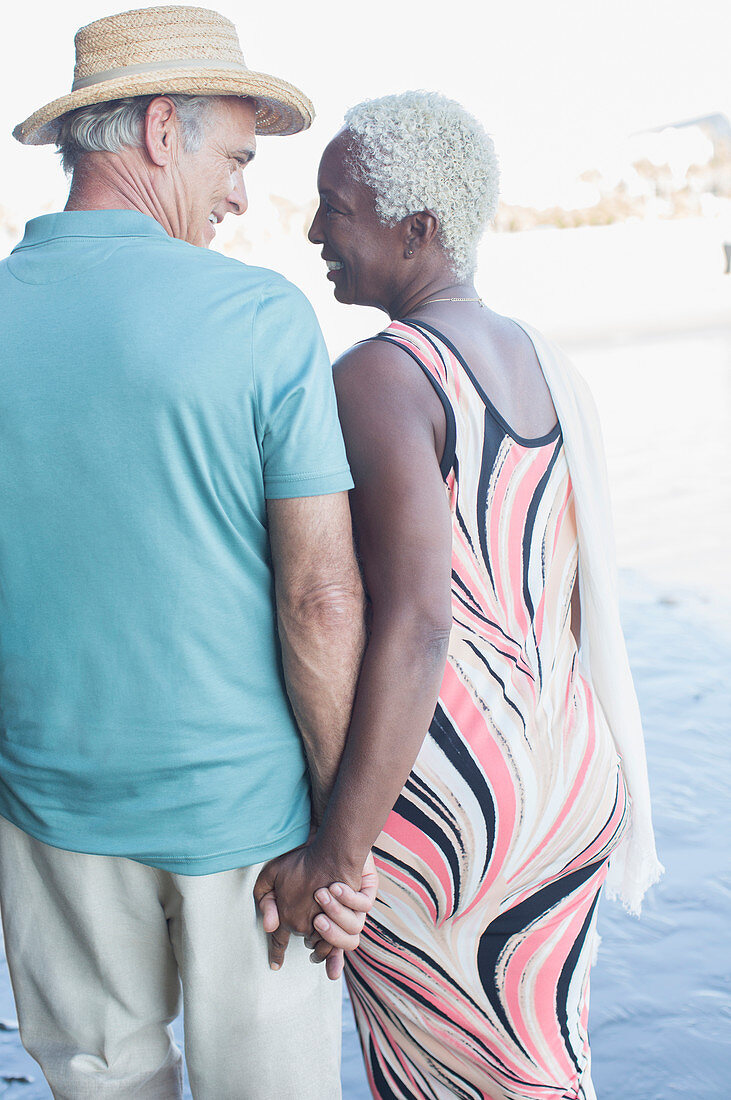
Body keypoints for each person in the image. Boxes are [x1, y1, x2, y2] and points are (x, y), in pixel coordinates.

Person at [0, 6, 373, 1097]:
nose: (242, 194)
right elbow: (319, 596)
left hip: (47, 814)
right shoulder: (259, 316)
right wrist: (336, 840)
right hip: (245, 828)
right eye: (235, 157)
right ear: (163, 130)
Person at [262, 91, 664, 1099]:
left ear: (417, 229)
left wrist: (332, 854)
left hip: (452, 809)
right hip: (571, 781)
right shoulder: (539, 357)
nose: (315, 232)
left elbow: (418, 622)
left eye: (336, 207)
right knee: (537, 1071)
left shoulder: (383, 378)